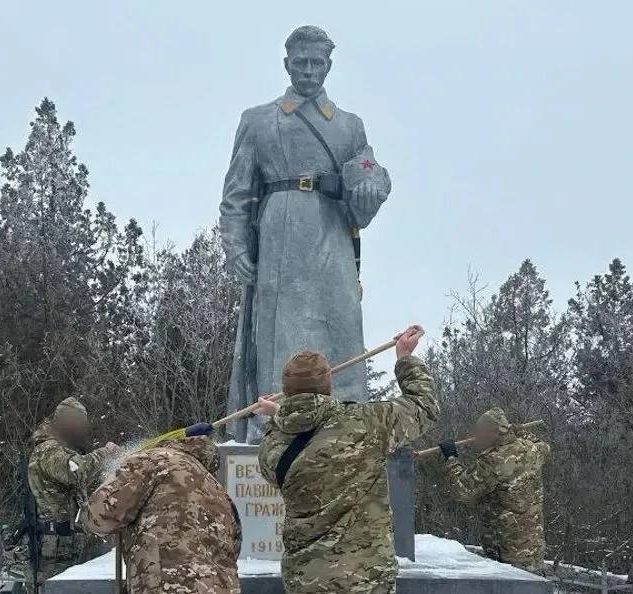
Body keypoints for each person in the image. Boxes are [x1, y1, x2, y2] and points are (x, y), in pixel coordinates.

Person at [220, 25, 392, 442]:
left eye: (318, 63)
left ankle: (346, 424)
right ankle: (272, 427)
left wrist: (370, 193)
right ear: (287, 64)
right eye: (301, 63)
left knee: (342, 328)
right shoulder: (259, 120)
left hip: (332, 237)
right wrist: (236, 245)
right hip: (279, 235)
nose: (309, 71)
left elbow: (365, 188)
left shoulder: (351, 127)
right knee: (281, 337)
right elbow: (237, 194)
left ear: (329, 66)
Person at [256, 325, 438, 594]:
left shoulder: (272, 445)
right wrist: (404, 358)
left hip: (307, 581)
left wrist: (279, 416)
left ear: (287, 389)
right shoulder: (366, 423)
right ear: (328, 385)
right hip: (366, 580)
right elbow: (424, 407)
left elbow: (300, 429)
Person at [86, 437, 241, 593]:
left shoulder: (155, 458)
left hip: (169, 585)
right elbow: (235, 544)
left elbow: (99, 516)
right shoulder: (218, 490)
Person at [438, 407, 550, 572]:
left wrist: (451, 458)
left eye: (482, 432)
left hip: (506, 551)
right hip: (534, 547)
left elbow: (464, 492)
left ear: (496, 432)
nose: (478, 436)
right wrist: (521, 433)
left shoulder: (494, 460)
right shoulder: (533, 450)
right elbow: (543, 445)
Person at [25, 397, 117, 588]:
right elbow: (76, 470)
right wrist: (106, 453)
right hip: (54, 552)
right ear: (67, 422)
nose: (82, 430)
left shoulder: (60, 449)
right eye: (79, 424)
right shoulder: (47, 449)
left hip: (65, 545)